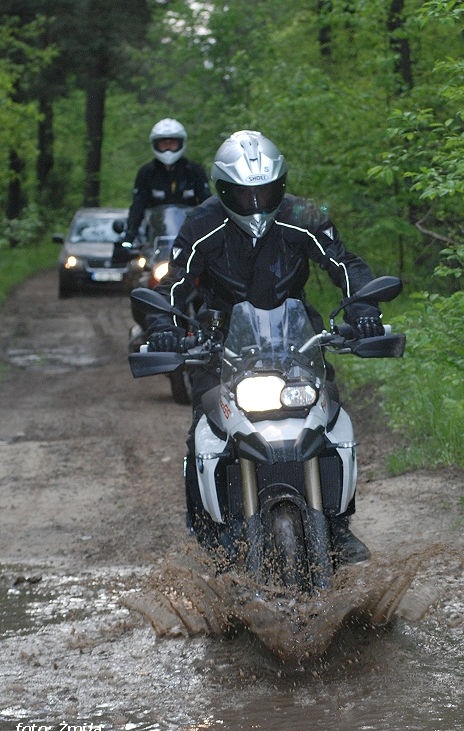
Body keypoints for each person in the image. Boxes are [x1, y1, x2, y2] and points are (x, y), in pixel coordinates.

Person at [145, 130, 385, 563]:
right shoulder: (203, 222)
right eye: (243, 194)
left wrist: (363, 309)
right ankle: (207, 530)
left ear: (282, 186)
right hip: (220, 337)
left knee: (328, 416)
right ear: (223, 190)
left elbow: (344, 262)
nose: (255, 204)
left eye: (266, 191)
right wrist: (163, 324)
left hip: (297, 336)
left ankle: (337, 524)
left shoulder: (304, 216)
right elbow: (173, 282)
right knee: (206, 427)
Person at [123, 118, 211, 245]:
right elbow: (138, 206)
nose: (168, 149)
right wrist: (129, 236)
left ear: (181, 144)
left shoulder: (194, 171)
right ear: (156, 145)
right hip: (155, 240)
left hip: (190, 237)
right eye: (164, 145)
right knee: (137, 263)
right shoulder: (146, 172)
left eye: (172, 144)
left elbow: (207, 204)